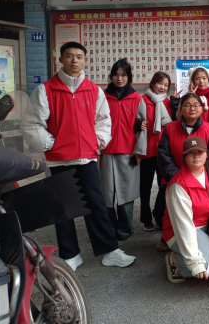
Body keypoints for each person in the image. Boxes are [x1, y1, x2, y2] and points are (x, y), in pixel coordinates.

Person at [30, 42, 135, 271]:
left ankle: (109, 250)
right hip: (58, 159)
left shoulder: (94, 90)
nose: (74, 60)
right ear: (61, 59)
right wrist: (52, 144)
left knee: (96, 204)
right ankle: (70, 255)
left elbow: (103, 121)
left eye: (79, 56)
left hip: (87, 158)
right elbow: (34, 124)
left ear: (85, 60)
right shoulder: (45, 90)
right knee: (63, 208)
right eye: (69, 56)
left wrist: (96, 142)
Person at [157, 93, 209, 251]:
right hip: (173, 179)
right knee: (166, 211)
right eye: (187, 105)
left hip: (200, 179)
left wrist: (195, 178)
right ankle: (170, 239)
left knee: (200, 210)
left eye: (196, 105)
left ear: (202, 109)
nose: (192, 108)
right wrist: (180, 180)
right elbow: (164, 157)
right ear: (180, 108)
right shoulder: (170, 128)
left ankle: (198, 237)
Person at [163, 137, 209, 283]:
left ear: (206, 154)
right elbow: (184, 226)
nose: (196, 156)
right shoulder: (178, 186)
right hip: (182, 231)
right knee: (208, 263)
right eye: (191, 153)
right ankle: (175, 260)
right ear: (184, 157)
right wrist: (194, 262)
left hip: (208, 223)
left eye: (199, 152)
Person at [100, 59, 148, 242]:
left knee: (126, 193)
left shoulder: (137, 99)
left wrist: (139, 151)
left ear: (129, 77)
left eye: (123, 75)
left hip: (128, 152)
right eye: (116, 75)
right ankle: (108, 228)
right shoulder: (102, 97)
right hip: (105, 152)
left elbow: (143, 128)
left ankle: (125, 229)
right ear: (111, 76)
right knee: (105, 193)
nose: (119, 78)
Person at [140, 71, 173, 232]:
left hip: (163, 152)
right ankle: (146, 218)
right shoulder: (142, 101)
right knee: (145, 187)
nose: (162, 87)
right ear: (152, 83)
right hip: (146, 151)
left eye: (166, 85)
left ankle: (159, 215)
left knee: (163, 186)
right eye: (160, 83)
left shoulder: (169, 103)